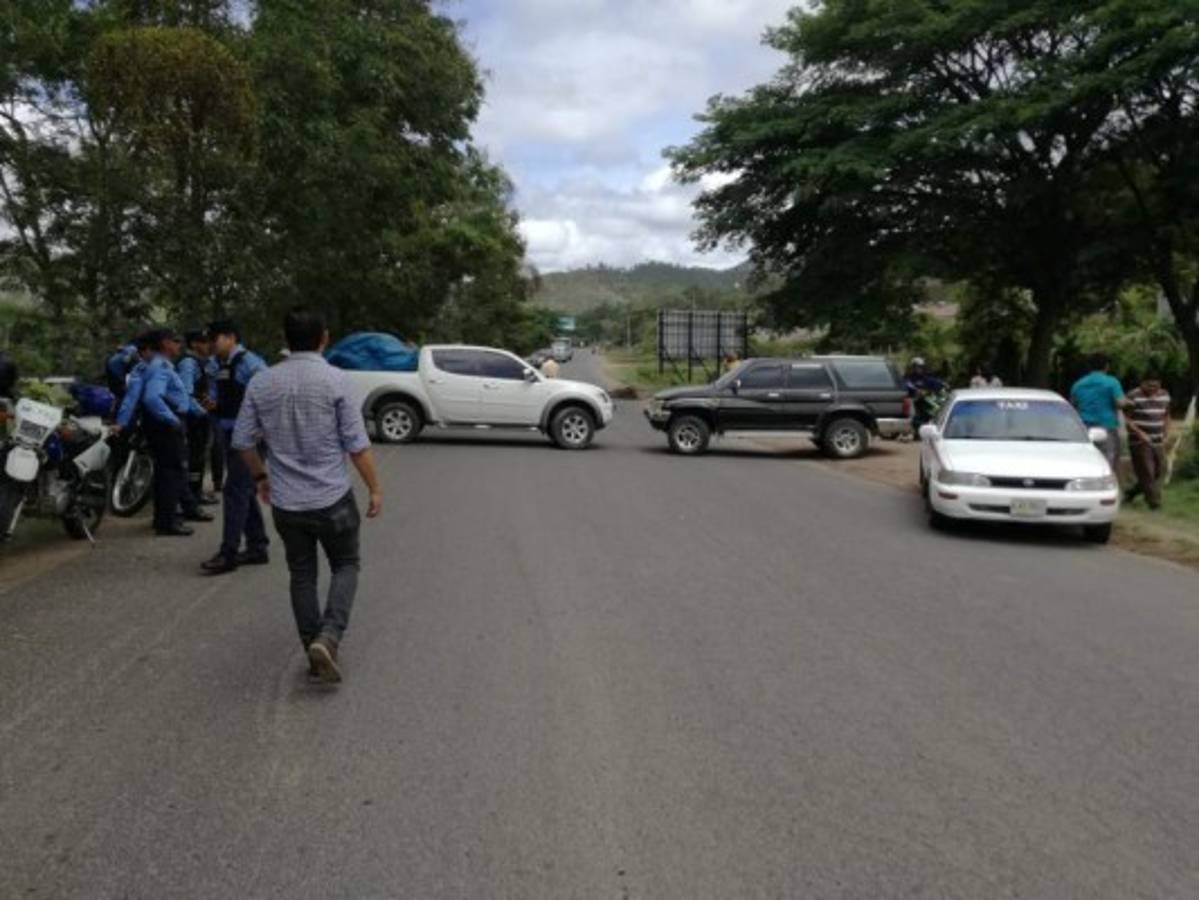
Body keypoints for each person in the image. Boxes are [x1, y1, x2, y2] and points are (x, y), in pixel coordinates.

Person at [232, 308, 382, 684]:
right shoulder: (337, 381)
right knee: (346, 564)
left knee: (302, 573)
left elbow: (242, 441)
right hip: (333, 497)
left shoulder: (262, 382)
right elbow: (357, 445)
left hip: (286, 502)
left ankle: (312, 643)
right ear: (324, 338)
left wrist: (261, 476)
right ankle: (328, 638)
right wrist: (375, 488)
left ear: (285, 339)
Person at [202, 321, 269, 575]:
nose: (210, 344)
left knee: (234, 490)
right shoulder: (215, 365)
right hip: (229, 433)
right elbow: (218, 397)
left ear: (230, 337)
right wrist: (212, 404)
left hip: (250, 439)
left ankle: (228, 553)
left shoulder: (250, 363)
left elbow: (267, 396)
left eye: (214, 339)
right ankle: (257, 547)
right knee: (244, 490)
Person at [140, 330, 213, 536]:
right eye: (176, 341)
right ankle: (167, 522)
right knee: (171, 472)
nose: (179, 345)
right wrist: (172, 420)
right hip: (166, 425)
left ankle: (166, 518)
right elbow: (152, 398)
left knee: (170, 471)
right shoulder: (160, 366)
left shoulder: (163, 365)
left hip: (166, 422)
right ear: (165, 343)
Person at [1070, 353, 1132, 474]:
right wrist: (1129, 403)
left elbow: (1073, 405)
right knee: (1108, 461)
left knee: (1086, 460)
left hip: (1085, 428)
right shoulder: (1112, 382)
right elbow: (1119, 403)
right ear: (1106, 366)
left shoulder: (1078, 384)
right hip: (1107, 426)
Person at [177, 330, 218, 508]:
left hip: (199, 416)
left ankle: (196, 493)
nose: (208, 345)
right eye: (204, 342)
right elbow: (186, 393)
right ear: (194, 344)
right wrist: (201, 411)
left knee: (199, 457)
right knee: (194, 457)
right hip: (193, 419)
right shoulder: (188, 363)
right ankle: (191, 497)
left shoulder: (201, 363)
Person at [1124, 372, 1172, 510]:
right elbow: (1126, 419)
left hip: (1157, 439)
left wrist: (1166, 433)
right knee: (1147, 471)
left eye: (1156, 386)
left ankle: (1131, 493)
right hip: (1139, 441)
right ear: (1142, 383)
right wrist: (1140, 433)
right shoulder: (1133, 396)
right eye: (1149, 385)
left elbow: (1167, 415)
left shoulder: (1165, 395)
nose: (1153, 388)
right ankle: (1155, 504)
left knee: (1157, 471)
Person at [906, 357, 946, 428]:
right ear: (913, 367)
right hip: (916, 403)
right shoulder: (910, 378)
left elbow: (938, 385)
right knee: (916, 418)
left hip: (929, 402)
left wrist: (929, 392)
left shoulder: (927, 377)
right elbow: (908, 386)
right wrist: (916, 392)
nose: (918, 369)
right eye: (916, 367)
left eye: (920, 367)